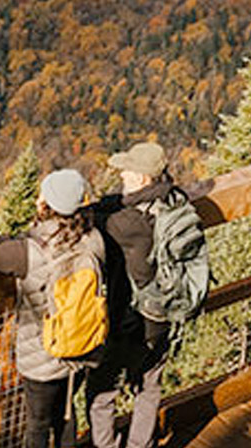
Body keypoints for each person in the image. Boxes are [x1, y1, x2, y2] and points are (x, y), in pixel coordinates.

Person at [0, 168, 106, 448]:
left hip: (43, 358)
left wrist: (9, 238)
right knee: (65, 412)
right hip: (83, 347)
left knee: (37, 424)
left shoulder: (29, 250)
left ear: (46, 205)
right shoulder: (95, 240)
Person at [87, 140, 182, 448]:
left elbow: (91, 221)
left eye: (127, 172)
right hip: (163, 315)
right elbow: (116, 202)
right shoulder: (176, 203)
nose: (121, 175)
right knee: (150, 387)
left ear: (142, 179)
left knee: (101, 393)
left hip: (128, 321)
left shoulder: (125, 224)